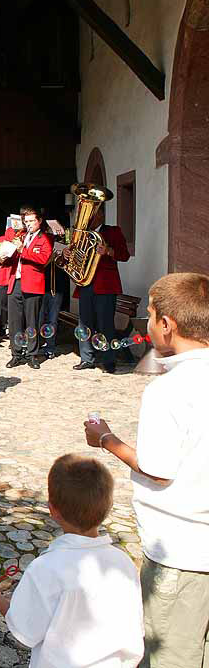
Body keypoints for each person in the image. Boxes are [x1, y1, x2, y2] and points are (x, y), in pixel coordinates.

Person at [83, 272, 209, 667]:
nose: (148, 323)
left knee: (171, 655)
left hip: (182, 549)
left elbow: (156, 469)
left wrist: (105, 438)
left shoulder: (168, 389)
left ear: (167, 326)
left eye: (151, 315)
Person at [0, 454, 143, 667]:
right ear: (108, 507)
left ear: (53, 510)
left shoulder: (45, 567)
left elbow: (26, 628)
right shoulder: (123, 563)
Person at [73, 201, 131, 374]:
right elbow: (74, 258)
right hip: (85, 284)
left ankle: (109, 361)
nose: (88, 216)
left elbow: (124, 255)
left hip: (105, 286)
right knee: (85, 324)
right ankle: (87, 358)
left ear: (101, 215)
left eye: (92, 212)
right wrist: (69, 253)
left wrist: (108, 251)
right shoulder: (81, 235)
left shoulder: (113, 231)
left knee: (106, 324)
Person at [2, 206, 53, 370]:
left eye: (32, 221)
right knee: (15, 321)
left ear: (39, 222)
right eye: (27, 221)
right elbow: (12, 256)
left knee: (32, 322)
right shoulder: (20, 236)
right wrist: (4, 254)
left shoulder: (44, 238)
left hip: (33, 284)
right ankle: (16, 354)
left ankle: (32, 354)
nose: (29, 224)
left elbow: (43, 258)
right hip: (15, 282)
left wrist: (22, 250)